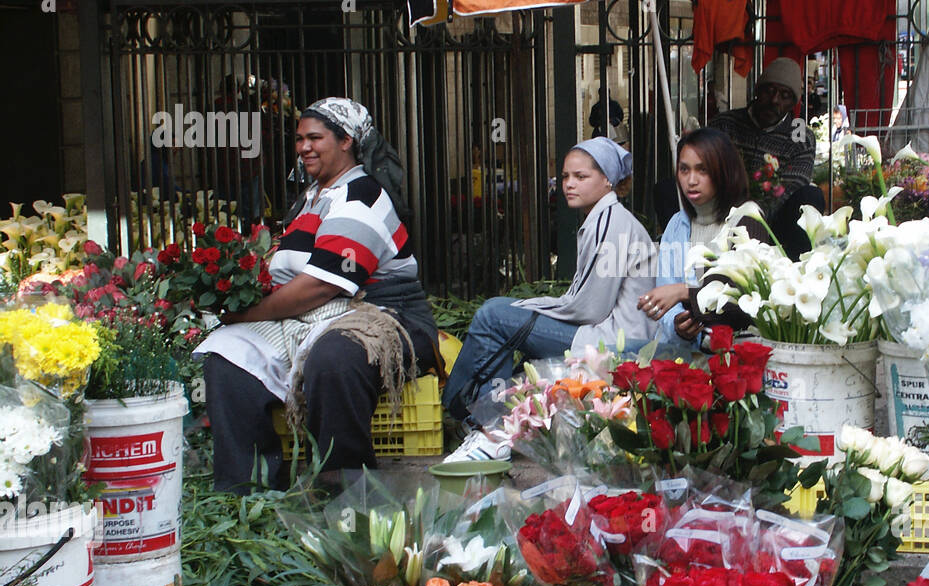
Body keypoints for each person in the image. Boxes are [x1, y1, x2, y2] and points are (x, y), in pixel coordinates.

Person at [196, 97, 440, 493]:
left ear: (346, 142)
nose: (304, 147)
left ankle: (342, 488)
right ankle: (248, 488)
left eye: (315, 138)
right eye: (299, 139)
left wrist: (243, 314)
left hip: (383, 314)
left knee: (335, 356)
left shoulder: (361, 195)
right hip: (313, 314)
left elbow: (320, 285)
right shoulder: (314, 194)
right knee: (226, 355)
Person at [442, 137, 656, 429]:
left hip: (614, 340)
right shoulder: (603, 217)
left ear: (608, 180)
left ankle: (473, 414)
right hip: (603, 332)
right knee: (500, 316)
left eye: (581, 177)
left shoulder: (610, 221)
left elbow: (589, 308)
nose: (569, 184)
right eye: (566, 176)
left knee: (493, 316)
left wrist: (531, 307)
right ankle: (484, 417)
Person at [635, 127, 747, 348]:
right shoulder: (678, 223)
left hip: (735, 355)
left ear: (724, 171)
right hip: (685, 352)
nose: (691, 180)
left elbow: (744, 301)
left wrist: (684, 292)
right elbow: (666, 293)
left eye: (702, 170)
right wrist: (678, 326)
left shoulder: (745, 218)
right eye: (684, 170)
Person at [707, 56, 824, 256]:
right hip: (721, 214)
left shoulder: (801, 138)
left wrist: (750, 220)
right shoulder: (724, 124)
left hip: (773, 224)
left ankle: (794, 268)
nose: (774, 100)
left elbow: (787, 191)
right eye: (769, 90)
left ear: (793, 103)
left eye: (785, 95)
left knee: (810, 196)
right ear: (757, 90)